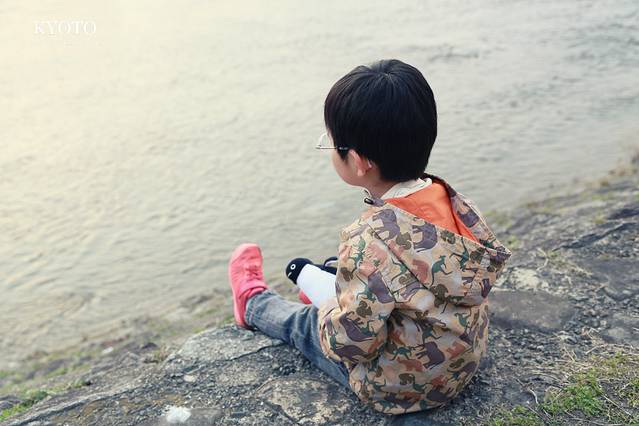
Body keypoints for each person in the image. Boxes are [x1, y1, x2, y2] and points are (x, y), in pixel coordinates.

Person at [227, 59, 511, 414]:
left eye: (331, 142)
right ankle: (338, 287)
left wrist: (328, 308)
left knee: (306, 325)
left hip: (403, 388)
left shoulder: (368, 242)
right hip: (460, 364)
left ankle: (252, 303)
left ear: (359, 162)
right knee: (361, 284)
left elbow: (351, 344)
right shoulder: (455, 204)